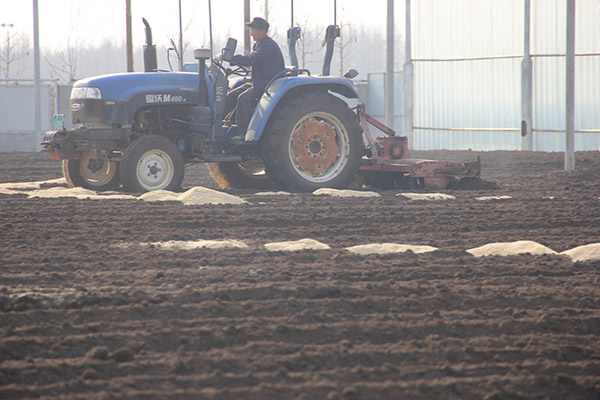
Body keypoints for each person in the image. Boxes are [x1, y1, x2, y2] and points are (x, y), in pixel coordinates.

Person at [224, 17, 285, 140]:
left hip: (268, 83)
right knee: (231, 95)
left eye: (253, 30)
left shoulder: (268, 46)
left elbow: (253, 59)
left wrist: (232, 58)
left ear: (262, 31)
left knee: (244, 99)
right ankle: (224, 124)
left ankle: (241, 133)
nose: (251, 33)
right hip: (258, 81)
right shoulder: (259, 44)